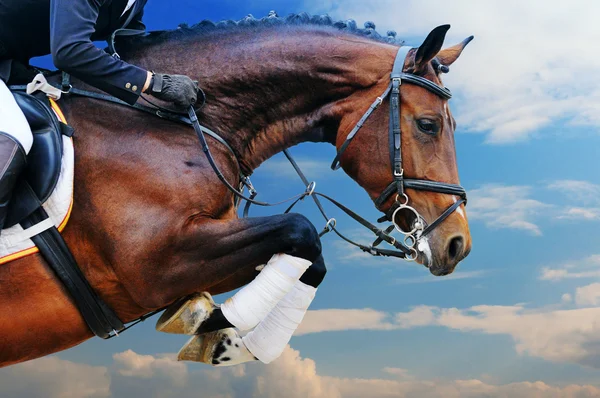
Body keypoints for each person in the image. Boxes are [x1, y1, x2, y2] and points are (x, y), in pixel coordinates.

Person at [0, 0, 199, 232]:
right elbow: (70, 51)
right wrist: (154, 83)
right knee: (16, 132)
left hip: (10, 62)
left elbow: (129, 46)